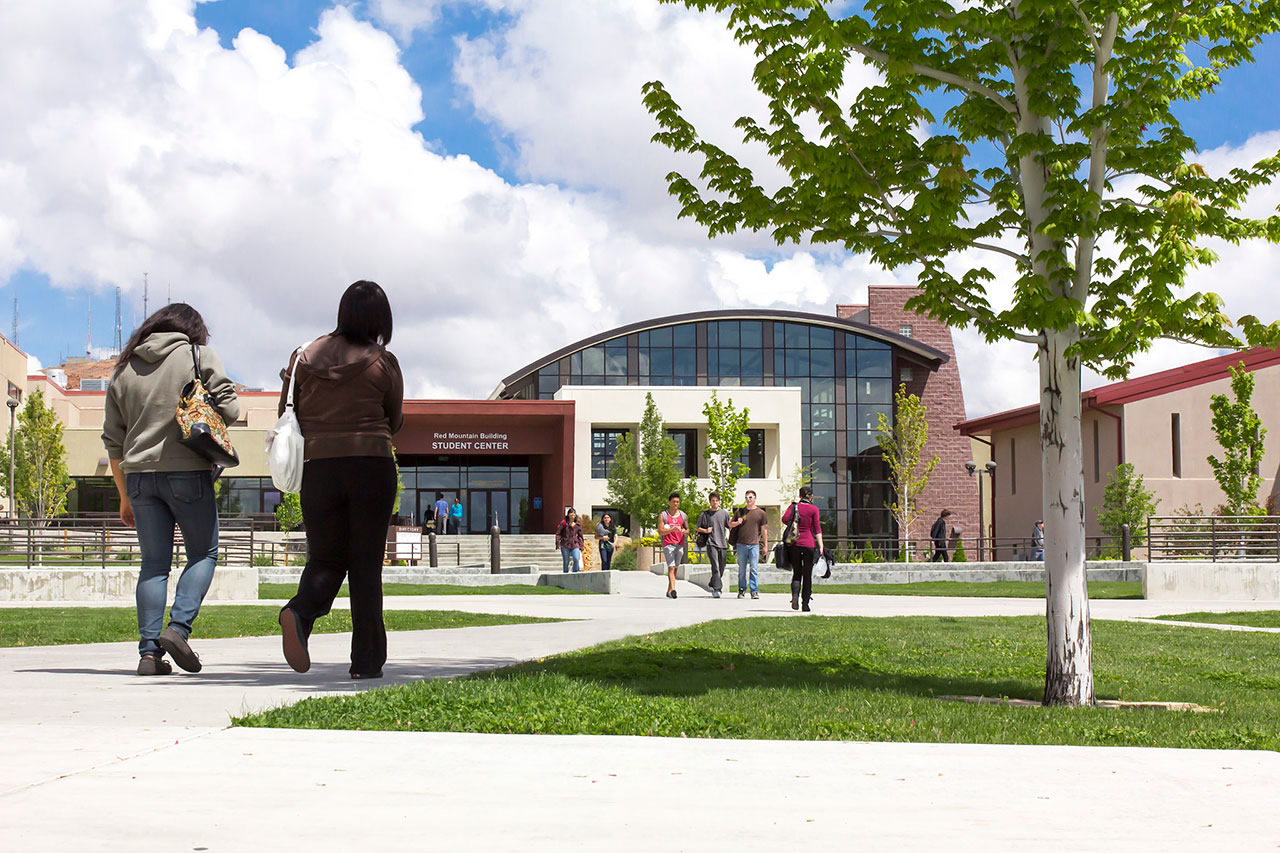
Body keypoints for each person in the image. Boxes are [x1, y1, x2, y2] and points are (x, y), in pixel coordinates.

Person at [102, 304, 240, 676]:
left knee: (153, 565)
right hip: (187, 472)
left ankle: (149, 655)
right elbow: (230, 408)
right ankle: (177, 630)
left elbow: (112, 441)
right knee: (203, 553)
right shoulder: (198, 356)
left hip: (139, 478)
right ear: (192, 329)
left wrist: (124, 496)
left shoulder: (123, 369)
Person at [277, 281, 403, 680]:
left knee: (327, 557)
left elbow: (286, 411)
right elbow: (394, 420)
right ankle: (365, 662)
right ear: (381, 319)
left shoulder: (301, 358)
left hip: (320, 468)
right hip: (372, 465)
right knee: (366, 565)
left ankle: (299, 611)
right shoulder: (384, 362)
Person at [781, 486, 824, 612]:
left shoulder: (793, 507)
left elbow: (784, 519)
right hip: (809, 544)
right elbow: (817, 528)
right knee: (807, 574)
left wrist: (794, 523)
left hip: (794, 543)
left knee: (797, 572)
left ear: (800, 496)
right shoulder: (814, 509)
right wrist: (820, 545)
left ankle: (795, 595)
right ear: (811, 496)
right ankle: (805, 604)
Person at [728, 490, 768, 599]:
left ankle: (754, 590)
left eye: (750, 497)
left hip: (754, 545)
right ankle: (741, 589)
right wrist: (737, 522)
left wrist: (765, 545)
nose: (748, 500)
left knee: (754, 568)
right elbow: (730, 523)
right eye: (746, 498)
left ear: (755, 498)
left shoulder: (761, 513)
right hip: (741, 544)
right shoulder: (740, 512)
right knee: (742, 569)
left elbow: (764, 530)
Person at [696, 492, 731, 598]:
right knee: (715, 566)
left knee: (721, 567)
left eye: (716, 500)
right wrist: (706, 530)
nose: (715, 502)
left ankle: (712, 582)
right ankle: (717, 589)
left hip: (723, 544)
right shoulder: (705, 514)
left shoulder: (724, 514)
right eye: (713, 501)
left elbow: (730, 526)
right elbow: (697, 527)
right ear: (710, 502)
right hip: (711, 543)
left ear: (719, 502)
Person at [658, 492, 688, 599]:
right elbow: (660, 531)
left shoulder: (683, 515)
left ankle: (669, 590)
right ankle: (674, 589)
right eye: (674, 501)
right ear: (669, 502)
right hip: (668, 544)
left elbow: (688, 530)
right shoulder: (664, 515)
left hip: (679, 544)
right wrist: (671, 529)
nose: (675, 504)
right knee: (671, 567)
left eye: (677, 502)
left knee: (675, 568)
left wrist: (684, 531)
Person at [555, 508, 585, 572]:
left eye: (574, 512)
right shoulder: (564, 522)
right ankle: (566, 575)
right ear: (568, 514)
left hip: (575, 544)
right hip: (565, 544)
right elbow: (558, 533)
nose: (572, 514)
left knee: (576, 559)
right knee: (566, 561)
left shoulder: (577, 523)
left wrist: (581, 545)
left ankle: (574, 574)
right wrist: (558, 543)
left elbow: (580, 535)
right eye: (571, 512)